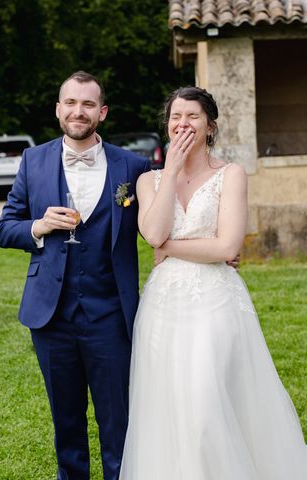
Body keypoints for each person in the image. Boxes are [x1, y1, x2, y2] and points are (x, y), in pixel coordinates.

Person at [119, 86, 307, 479]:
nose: (182, 124)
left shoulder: (230, 175)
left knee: (207, 403)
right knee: (169, 407)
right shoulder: (149, 180)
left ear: (210, 126)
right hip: (163, 306)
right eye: (175, 117)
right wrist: (170, 171)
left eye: (192, 116)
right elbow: (152, 234)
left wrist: (170, 247)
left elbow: (227, 245)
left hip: (216, 301)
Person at [0, 71, 150, 480]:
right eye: (70, 102)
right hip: (52, 318)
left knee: (118, 425)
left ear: (102, 111)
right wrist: (39, 227)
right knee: (67, 426)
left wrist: (211, 251)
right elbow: (3, 227)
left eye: (87, 104)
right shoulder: (33, 160)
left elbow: (160, 224)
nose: (78, 111)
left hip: (111, 317)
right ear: (58, 109)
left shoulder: (133, 166)